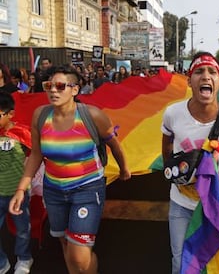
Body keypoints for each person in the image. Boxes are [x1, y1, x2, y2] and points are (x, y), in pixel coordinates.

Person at [9, 65, 131, 274]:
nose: (53, 91)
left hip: (87, 189)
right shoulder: (40, 116)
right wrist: (21, 189)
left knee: (79, 256)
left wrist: (124, 169)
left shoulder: (92, 116)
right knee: (66, 243)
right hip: (54, 191)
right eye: (49, 86)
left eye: (60, 86)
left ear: (75, 90)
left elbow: (114, 146)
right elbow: (37, 154)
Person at [161, 51, 219, 274]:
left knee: (210, 263)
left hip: (215, 206)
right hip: (181, 204)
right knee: (180, 263)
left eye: (212, 72)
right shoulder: (173, 113)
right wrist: (171, 169)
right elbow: (166, 142)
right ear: (189, 80)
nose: (206, 76)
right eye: (199, 72)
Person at [0, 91, 33, 274]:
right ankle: (1, 263)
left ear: (10, 114)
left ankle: (24, 258)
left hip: (17, 193)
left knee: (22, 229)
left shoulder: (21, 133)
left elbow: (36, 154)